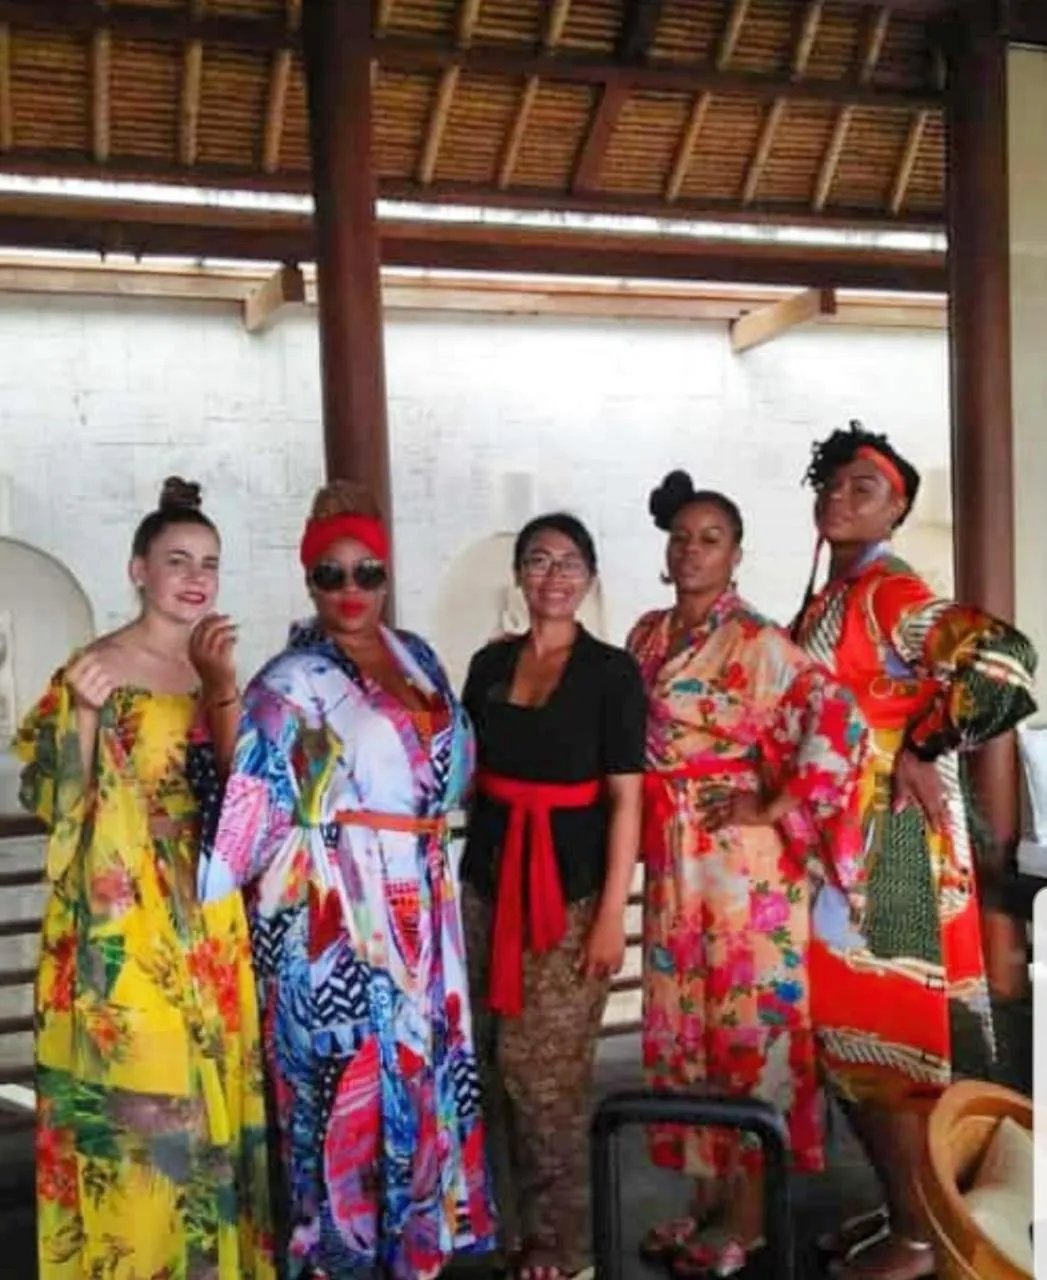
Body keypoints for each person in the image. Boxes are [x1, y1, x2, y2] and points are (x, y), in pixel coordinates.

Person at [196, 480, 496, 1280]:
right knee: (346, 1088)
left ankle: (409, 1252)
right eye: (332, 575)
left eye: (368, 572)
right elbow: (246, 794)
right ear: (308, 583)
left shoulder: (419, 657)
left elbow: (455, 768)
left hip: (425, 906)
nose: (352, 590)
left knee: (419, 1073)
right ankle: (342, 1259)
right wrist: (221, 694)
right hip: (339, 911)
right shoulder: (289, 680)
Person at [790, 422, 1037, 1280]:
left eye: (862, 487)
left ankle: (920, 1233)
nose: (838, 497)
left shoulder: (888, 592)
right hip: (843, 848)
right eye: (829, 483)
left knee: (885, 1051)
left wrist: (926, 747)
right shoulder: (836, 594)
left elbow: (1004, 663)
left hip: (888, 846)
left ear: (896, 505)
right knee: (851, 1048)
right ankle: (900, 1203)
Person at [14, 478, 274, 1280]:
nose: (195, 577)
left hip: (207, 917)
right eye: (176, 561)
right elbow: (52, 801)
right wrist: (86, 717)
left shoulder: (217, 669)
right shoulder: (93, 666)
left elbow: (254, 796)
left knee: (206, 1101)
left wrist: (225, 688)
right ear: (137, 569)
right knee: (139, 1102)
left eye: (209, 564)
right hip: (121, 926)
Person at [626, 471, 866, 1279]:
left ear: (735, 555)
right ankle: (700, 1202)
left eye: (710, 539)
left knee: (744, 1025)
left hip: (740, 865)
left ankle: (750, 1217)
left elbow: (837, 718)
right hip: (673, 851)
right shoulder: (646, 634)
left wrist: (773, 804)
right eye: (682, 537)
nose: (691, 550)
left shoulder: (762, 642)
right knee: (682, 1023)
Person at [460, 513, 645, 1280]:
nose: (553, 574)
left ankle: (561, 1243)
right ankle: (499, 1222)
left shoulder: (610, 673)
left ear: (590, 576)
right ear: (519, 576)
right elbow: (465, 778)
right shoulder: (488, 663)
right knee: (486, 1060)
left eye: (569, 562)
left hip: (567, 898)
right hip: (484, 888)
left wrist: (612, 916)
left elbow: (626, 802)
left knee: (547, 1075)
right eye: (537, 560)